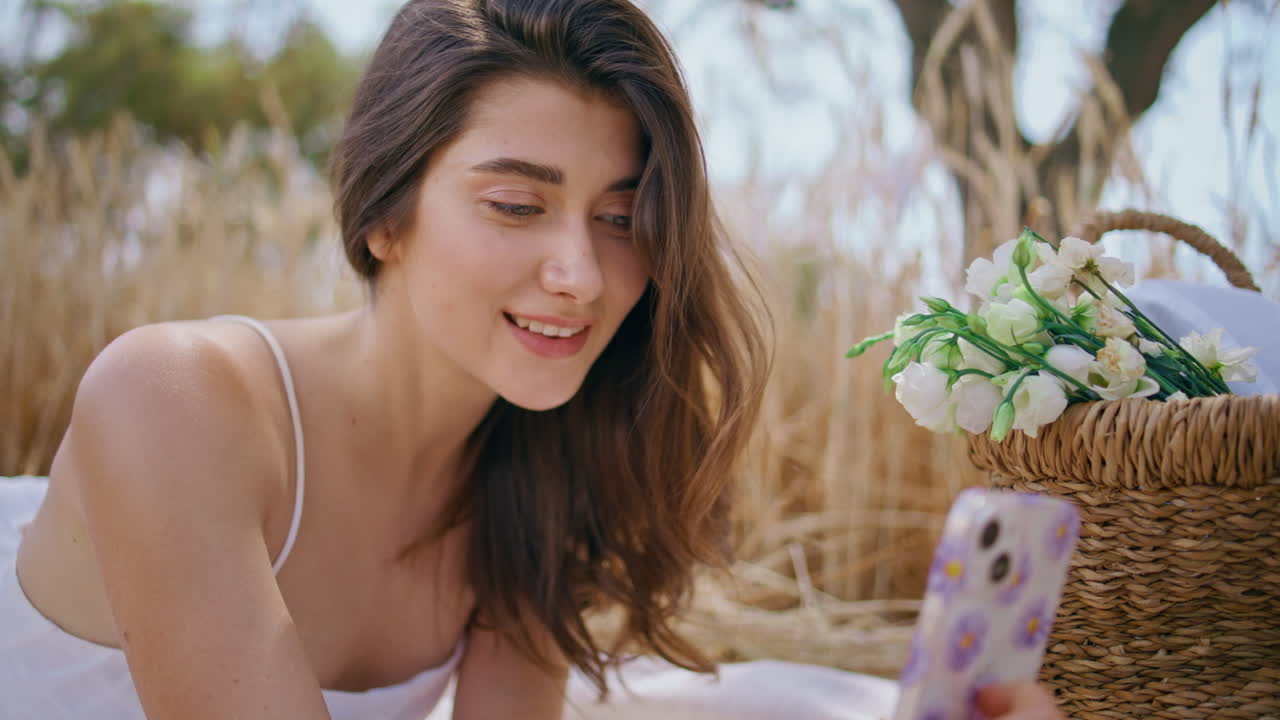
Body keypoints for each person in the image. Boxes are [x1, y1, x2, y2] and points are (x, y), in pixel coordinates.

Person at [0, 1, 1066, 718]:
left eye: (619, 216)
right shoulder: (175, 400)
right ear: (385, 215)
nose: (582, 274)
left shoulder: (535, 481)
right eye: (516, 204)